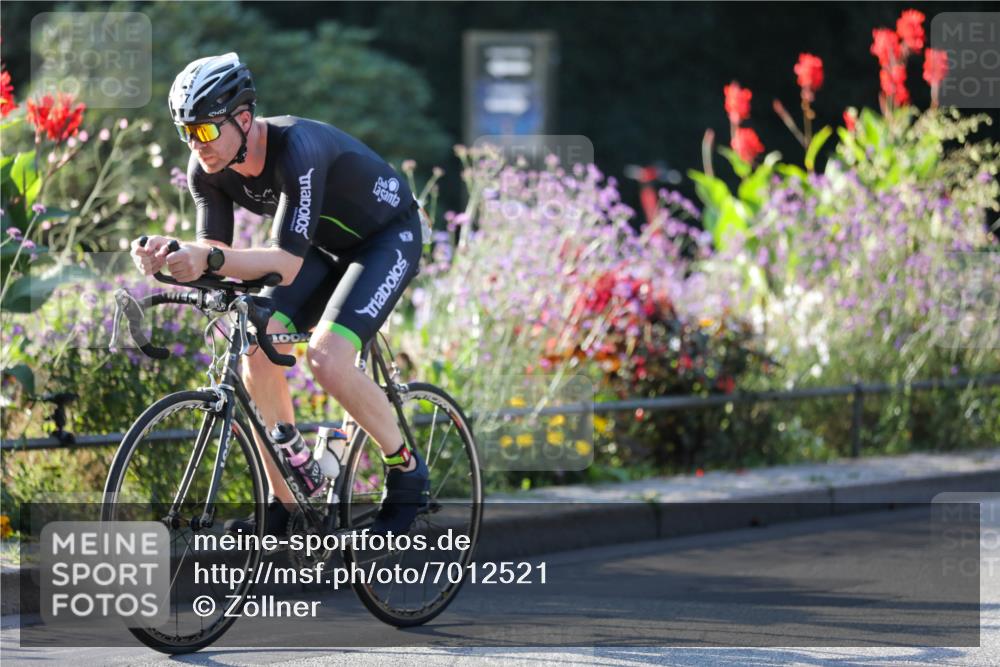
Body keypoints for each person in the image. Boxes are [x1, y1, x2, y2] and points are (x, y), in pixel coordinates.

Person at [130, 52, 428, 537]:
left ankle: (407, 468)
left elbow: (284, 263)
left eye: (205, 129)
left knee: (327, 358)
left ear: (243, 119)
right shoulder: (206, 169)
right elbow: (217, 251)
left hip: (385, 239)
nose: (195, 143)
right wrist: (171, 255)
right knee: (256, 345)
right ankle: (288, 501)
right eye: (186, 132)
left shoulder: (297, 149)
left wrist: (209, 259)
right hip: (323, 249)